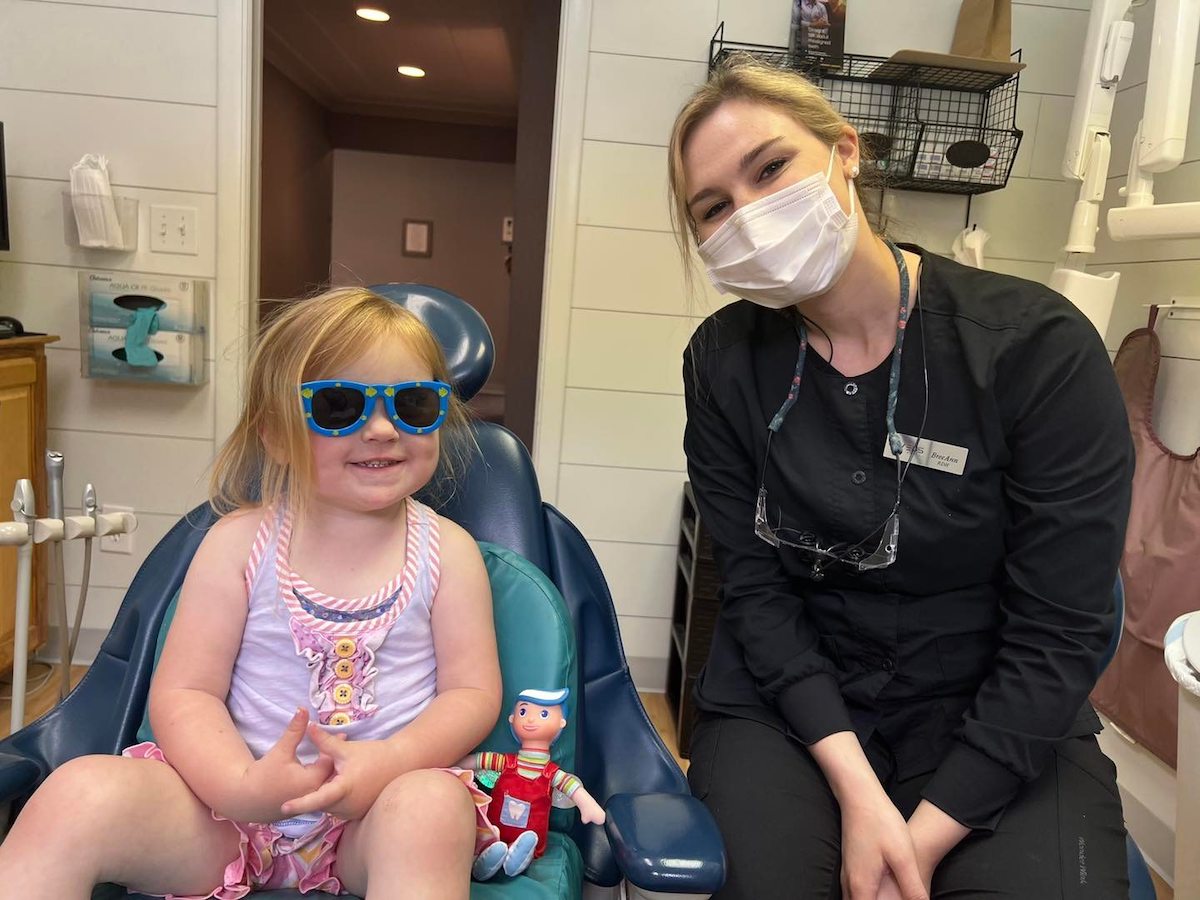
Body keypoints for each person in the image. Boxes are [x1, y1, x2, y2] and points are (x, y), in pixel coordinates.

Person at [667, 56, 1134, 900]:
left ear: (846, 152)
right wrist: (858, 793)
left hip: (989, 701)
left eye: (770, 169)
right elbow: (756, 596)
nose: (751, 215)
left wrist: (917, 839)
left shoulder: (1034, 350)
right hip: (794, 707)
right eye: (714, 207)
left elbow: (1061, 630)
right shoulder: (724, 362)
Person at [0, 288, 504, 900]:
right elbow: (187, 691)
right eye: (339, 406)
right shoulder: (239, 544)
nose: (381, 428)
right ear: (274, 433)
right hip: (227, 816)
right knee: (77, 794)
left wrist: (391, 764)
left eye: (414, 404)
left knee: (430, 809)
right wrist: (239, 785)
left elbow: (471, 694)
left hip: (372, 823)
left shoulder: (449, 553)